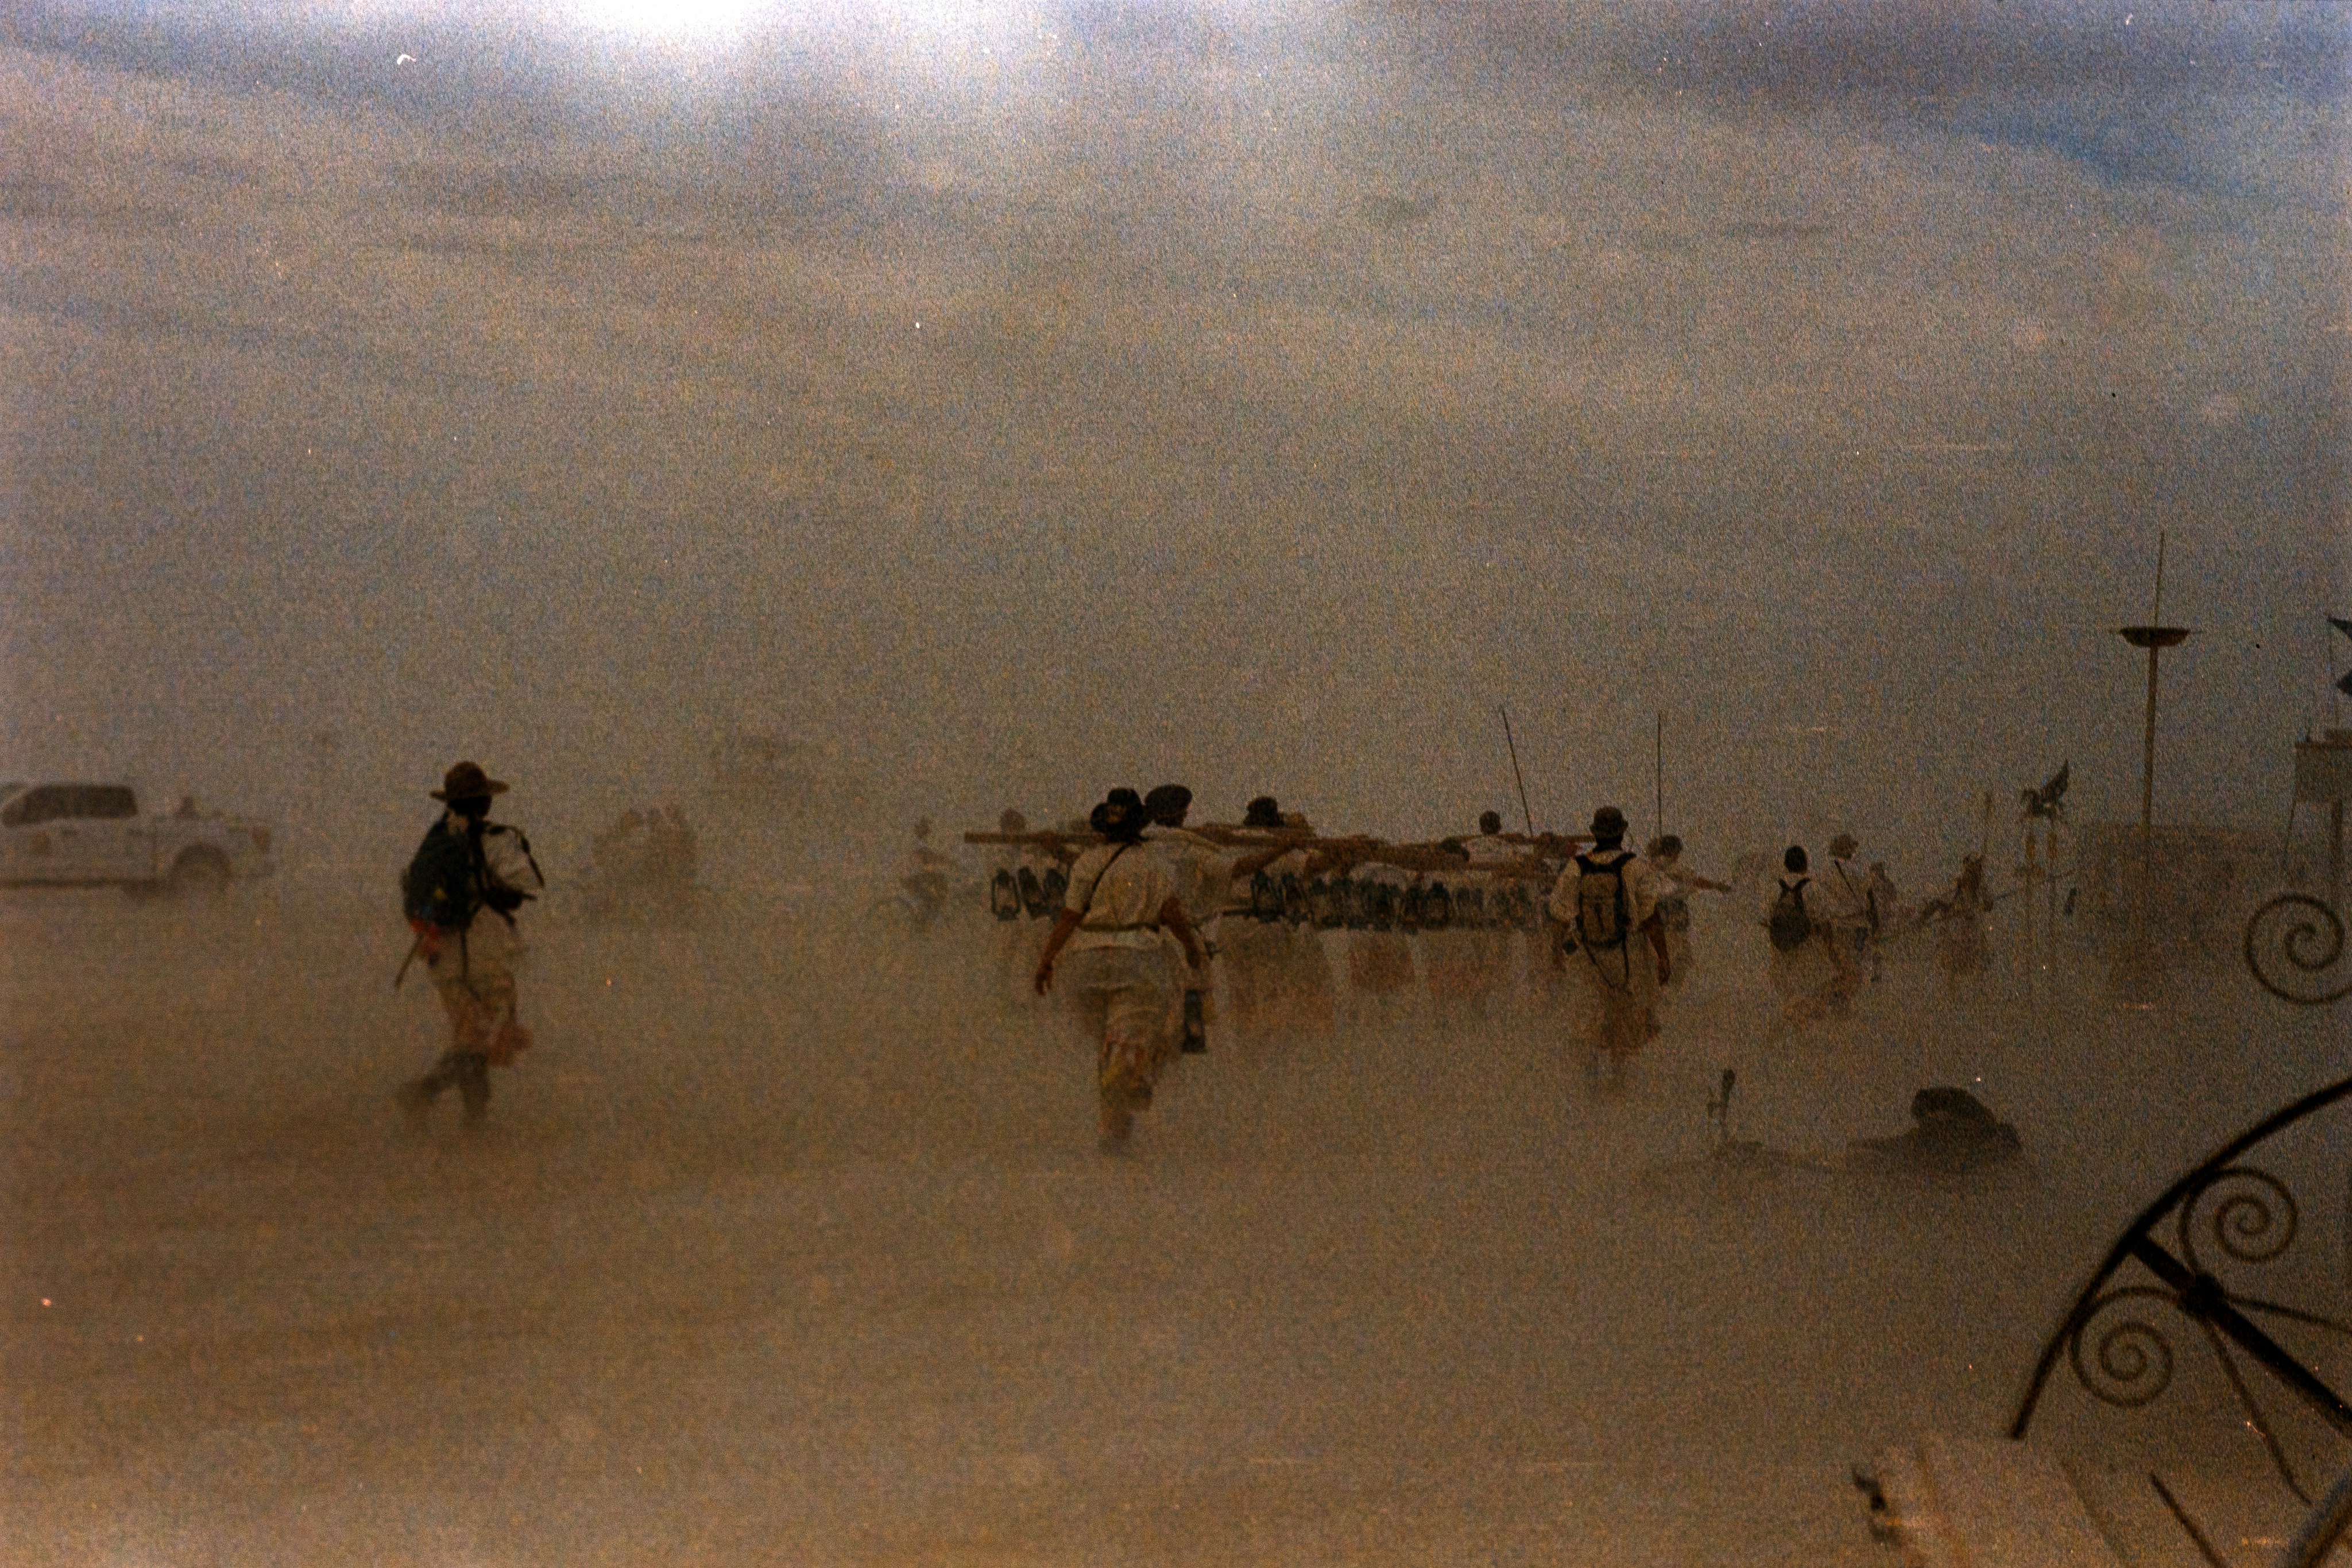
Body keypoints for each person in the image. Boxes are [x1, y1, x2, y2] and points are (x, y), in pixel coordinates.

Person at [1035, 789, 1206, 1151]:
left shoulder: (1086, 863)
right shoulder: (1150, 864)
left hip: (1085, 964)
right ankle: (1117, 1123)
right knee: (1126, 1045)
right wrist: (1192, 948)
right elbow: (1171, 913)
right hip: (1137, 962)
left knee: (1108, 1045)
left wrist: (1046, 959)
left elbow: (1070, 916)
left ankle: (1112, 1126)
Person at [400, 761, 544, 1126]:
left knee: (469, 1032)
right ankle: (426, 1091)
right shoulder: (498, 839)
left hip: (440, 951)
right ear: (484, 802)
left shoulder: (436, 840)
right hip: (483, 949)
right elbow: (525, 887)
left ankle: (474, 1118)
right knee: (486, 1033)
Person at [1545, 807, 1670, 1095]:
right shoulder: (1636, 866)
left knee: (1588, 1017)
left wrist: (1555, 953)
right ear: (1623, 832)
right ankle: (1620, 1084)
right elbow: (1652, 918)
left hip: (1587, 955)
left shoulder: (1576, 867)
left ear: (1594, 834)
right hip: (1628, 954)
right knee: (1625, 1017)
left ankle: (1589, 1086)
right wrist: (1663, 957)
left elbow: (1560, 916)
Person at [1761, 845, 1858, 1034]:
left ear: (1786, 865)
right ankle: (1800, 1033)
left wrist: (1785, 932)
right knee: (1816, 993)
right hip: (1809, 952)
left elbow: (1765, 920)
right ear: (1805, 864)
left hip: (1781, 952)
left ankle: (1790, 1028)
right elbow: (1828, 921)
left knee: (1791, 994)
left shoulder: (1774, 888)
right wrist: (1831, 951)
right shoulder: (1813, 888)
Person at [1921, 854, 1991, 993]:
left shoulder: (1980, 888)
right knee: (1952, 964)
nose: (1972, 875)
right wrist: (1923, 918)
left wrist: (1984, 902)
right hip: (1955, 930)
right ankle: (1952, 993)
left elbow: (1989, 905)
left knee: (1980, 959)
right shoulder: (1957, 887)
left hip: (1971, 929)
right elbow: (1939, 902)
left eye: (1975, 872)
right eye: (1970, 871)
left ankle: (1980, 992)